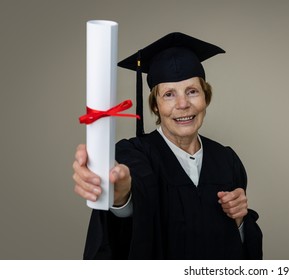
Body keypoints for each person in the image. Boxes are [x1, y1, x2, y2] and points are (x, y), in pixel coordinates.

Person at [72, 32, 263, 259]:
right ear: (155, 106)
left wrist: (239, 219)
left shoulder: (226, 160)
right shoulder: (133, 155)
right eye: (169, 95)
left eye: (192, 91)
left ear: (206, 98)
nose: (183, 104)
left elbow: (243, 254)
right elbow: (126, 210)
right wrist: (119, 192)